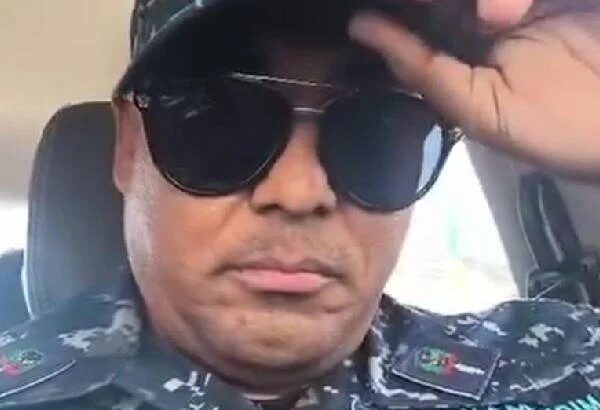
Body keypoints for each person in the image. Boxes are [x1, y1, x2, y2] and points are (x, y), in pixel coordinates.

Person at [1, 0, 599, 409]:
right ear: (129, 149)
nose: (299, 193)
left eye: (374, 132)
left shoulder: (555, 367)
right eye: (220, 124)